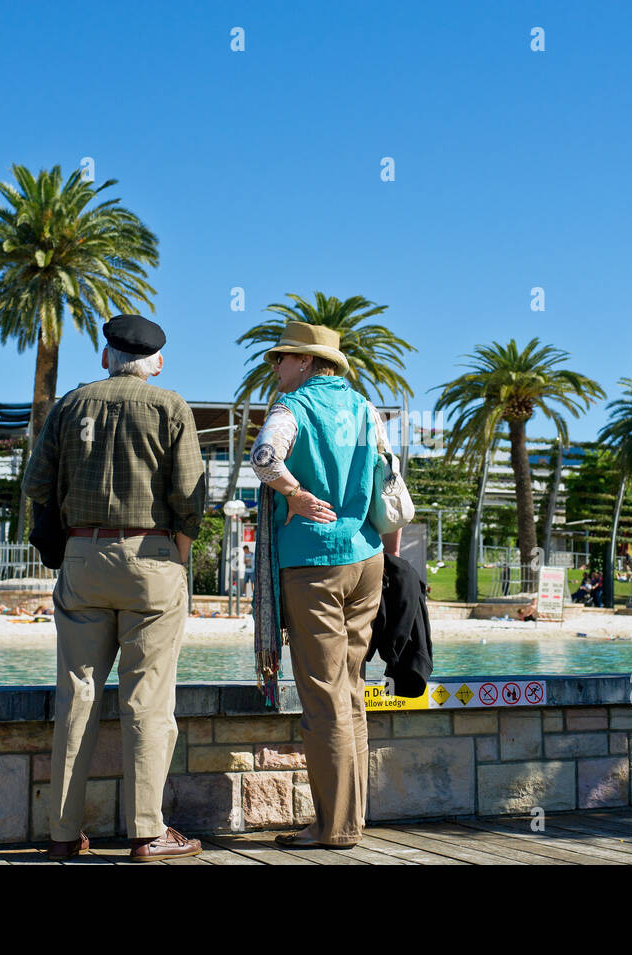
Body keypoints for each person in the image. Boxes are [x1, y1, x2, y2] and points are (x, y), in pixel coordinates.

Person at [25, 314, 207, 863]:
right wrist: (179, 549)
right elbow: (190, 494)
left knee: (76, 697)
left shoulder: (70, 405)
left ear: (106, 357)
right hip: (152, 559)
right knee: (147, 702)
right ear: (155, 363)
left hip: (81, 558)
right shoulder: (170, 406)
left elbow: (36, 483)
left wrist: (63, 541)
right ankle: (146, 834)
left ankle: (62, 834)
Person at [249, 320, 398, 850]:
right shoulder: (365, 409)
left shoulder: (292, 408)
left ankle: (331, 828)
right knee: (351, 691)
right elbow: (390, 477)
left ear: (308, 362)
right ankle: (351, 821)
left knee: (322, 696)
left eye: (282, 358)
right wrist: (390, 555)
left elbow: (264, 459)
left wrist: (295, 494)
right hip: (367, 559)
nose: (276, 367)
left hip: (314, 561)